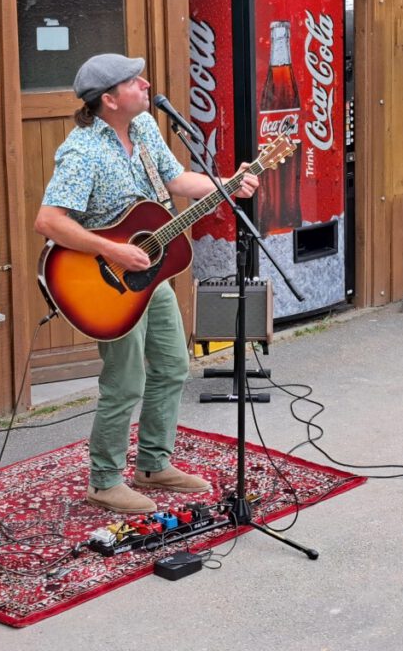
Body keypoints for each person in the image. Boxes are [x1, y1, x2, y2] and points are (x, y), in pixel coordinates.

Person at [34, 53, 259, 514]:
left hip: (150, 275)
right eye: (134, 81)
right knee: (125, 382)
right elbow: (49, 220)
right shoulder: (83, 151)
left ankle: (154, 464)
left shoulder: (145, 130)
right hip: (106, 286)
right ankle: (104, 480)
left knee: (174, 366)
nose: (146, 83)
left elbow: (176, 180)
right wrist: (111, 249)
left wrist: (227, 184)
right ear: (110, 99)